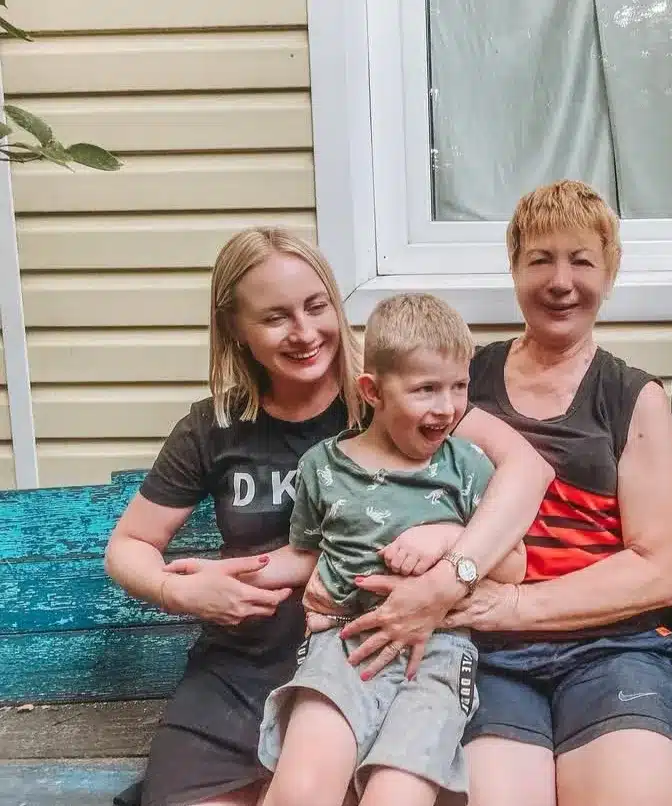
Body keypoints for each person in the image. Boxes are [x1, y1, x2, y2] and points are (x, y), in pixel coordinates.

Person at [305, 180, 672, 806]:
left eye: (581, 260)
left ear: (610, 271)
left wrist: (508, 604)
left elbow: (657, 573)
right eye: (540, 260)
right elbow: (386, 482)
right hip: (481, 656)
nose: (561, 281)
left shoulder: (633, 397)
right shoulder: (463, 383)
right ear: (515, 269)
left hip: (613, 650)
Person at [104, 228, 552, 806]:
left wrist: (449, 574)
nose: (305, 332)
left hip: (374, 653)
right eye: (275, 318)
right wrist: (177, 590)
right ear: (236, 329)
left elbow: (526, 472)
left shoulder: (394, 400)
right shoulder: (212, 427)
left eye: (317, 307)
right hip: (241, 670)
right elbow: (129, 545)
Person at [249, 293, 527, 806]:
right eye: (425, 389)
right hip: (342, 648)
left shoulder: (466, 467)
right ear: (373, 391)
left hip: (436, 660)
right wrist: (228, 577)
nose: (446, 407)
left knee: (395, 796)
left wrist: (448, 536)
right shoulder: (323, 467)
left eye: (459, 386)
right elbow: (305, 554)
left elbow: (515, 565)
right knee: (300, 788)